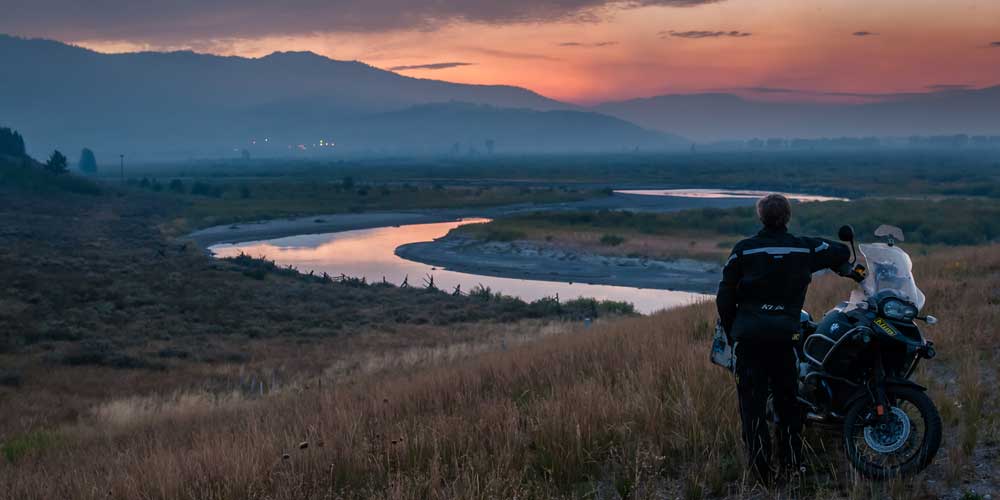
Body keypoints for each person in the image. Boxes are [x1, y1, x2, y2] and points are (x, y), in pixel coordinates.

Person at [716, 194, 850, 484]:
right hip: (784, 339)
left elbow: (724, 297)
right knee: (788, 406)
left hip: (749, 340)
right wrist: (842, 263)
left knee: (752, 409)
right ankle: (792, 466)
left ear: (760, 217)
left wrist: (732, 331)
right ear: (787, 217)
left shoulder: (743, 251)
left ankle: (761, 474)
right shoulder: (804, 248)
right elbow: (840, 251)